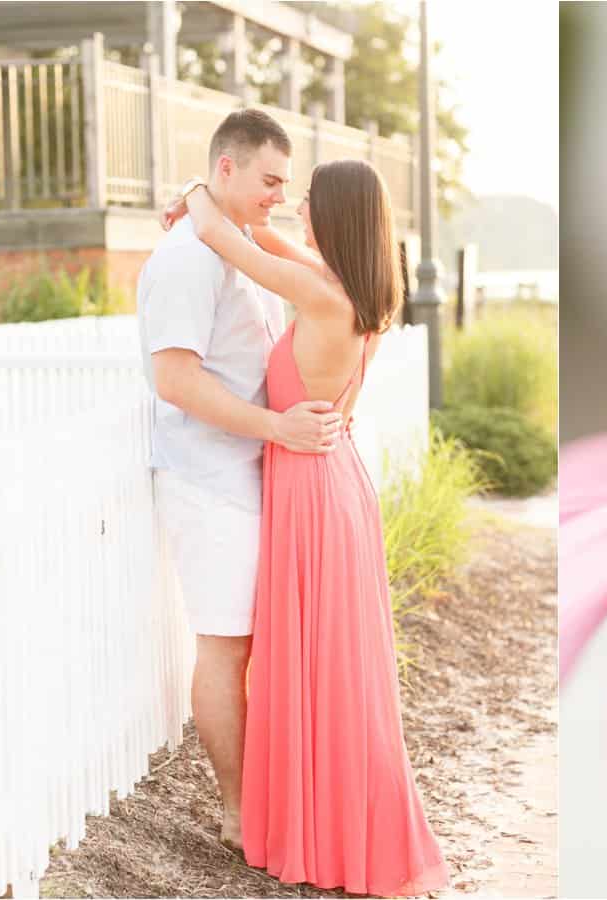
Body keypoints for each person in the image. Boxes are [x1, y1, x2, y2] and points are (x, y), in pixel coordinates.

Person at [159, 139, 451, 894]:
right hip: (333, 483)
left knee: (313, 667)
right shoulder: (358, 291)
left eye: (309, 199)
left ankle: (320, 832)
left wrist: (198, 189)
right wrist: (231, 214)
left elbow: (226, 237)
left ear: (338, 217)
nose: (296, 206)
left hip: (310, 490)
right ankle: (331, 824)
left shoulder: (323, 296)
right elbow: (259, 238)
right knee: (332, 670)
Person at [138, 109, 342, 857]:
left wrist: (200, 198)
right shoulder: (189, 259)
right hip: (210, 483)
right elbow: (175, 380)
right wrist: (276, 430)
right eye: (269, 181)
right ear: (227, 169)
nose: (279, 197)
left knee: (260, 647)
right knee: (225, 649)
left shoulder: (235, 245)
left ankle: (273, 799)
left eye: (288, 184)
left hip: (254, 479)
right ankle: (237, 809)